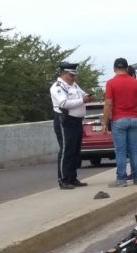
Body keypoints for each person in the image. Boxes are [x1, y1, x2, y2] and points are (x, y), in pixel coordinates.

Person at [101, 58, 137, 187]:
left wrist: (104, 122)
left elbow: (108, 103)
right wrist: (131, 103)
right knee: (134, 150)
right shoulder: (136, 83)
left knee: (120, 151)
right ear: (127, 68)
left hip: (119, 120)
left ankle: (121, 179)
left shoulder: (111, 83)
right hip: (134, 119)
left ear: (114, 69)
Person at [50, 62, 94, 190]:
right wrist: (82, 100)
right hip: (65, 120)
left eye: (74, 75)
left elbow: (82, 94)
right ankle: (64, 180)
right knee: (66, 149)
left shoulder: (73, 85)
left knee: (75, 150)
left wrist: (88, 97)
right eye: (71, 75)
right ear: (63, 74)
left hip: (76, 120)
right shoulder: (57, 87)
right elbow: (63, 103)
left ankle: (72, 178)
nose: (74, 78)